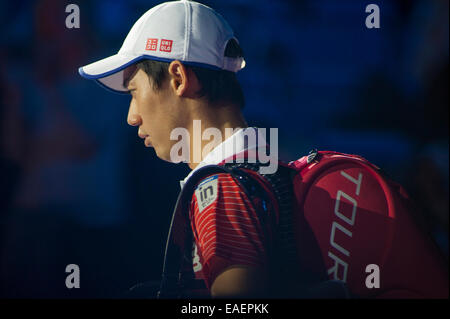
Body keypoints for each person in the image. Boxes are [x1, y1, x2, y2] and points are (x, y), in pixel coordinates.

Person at [79, 0, 282, 298]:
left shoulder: (220, 188)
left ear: (178, 78)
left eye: (134, 92)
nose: (132, 116)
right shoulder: (266, 167)